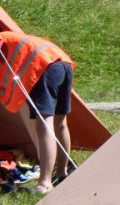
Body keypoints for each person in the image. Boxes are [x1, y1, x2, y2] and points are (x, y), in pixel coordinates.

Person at [0, 29, 76, 194]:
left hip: (43, 66)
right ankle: (61, 174)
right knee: (60, 123)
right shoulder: (7, 38)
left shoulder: (3, 39)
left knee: (44, 124)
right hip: (63, 63)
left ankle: (45, 183)